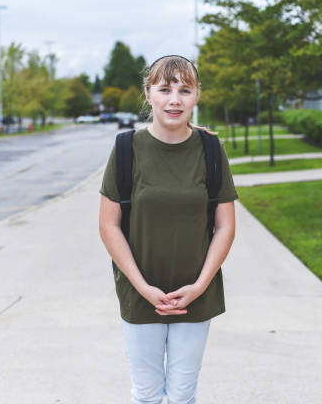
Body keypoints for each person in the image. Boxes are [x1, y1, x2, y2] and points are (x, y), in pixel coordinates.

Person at [98, 54, 238, 404]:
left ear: (196, 96)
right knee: (146, 395)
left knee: (182, 395)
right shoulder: (126, 149)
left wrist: (199, 285)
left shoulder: (211, 150)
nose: (174, 99)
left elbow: (225, 227)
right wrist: (143, 287)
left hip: (196, 293)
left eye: (185, 90)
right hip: (140, 292)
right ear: (148, 94)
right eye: (164, 89)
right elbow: (108, 226)